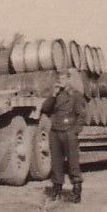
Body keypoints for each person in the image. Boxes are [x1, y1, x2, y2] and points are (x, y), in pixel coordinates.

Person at [40, 69, 87, 203]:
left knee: (73, 163)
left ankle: (76, 191)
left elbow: (81, 115)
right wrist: (53, 95)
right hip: (55, 132)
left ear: (69, 79)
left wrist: (75, 131)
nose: (61, 81)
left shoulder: (75, 96)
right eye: (59, 79)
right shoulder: (56, 95)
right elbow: (45, 109)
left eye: (63, 78)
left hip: (69, 132)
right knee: (56, 163)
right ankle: (57, 190)